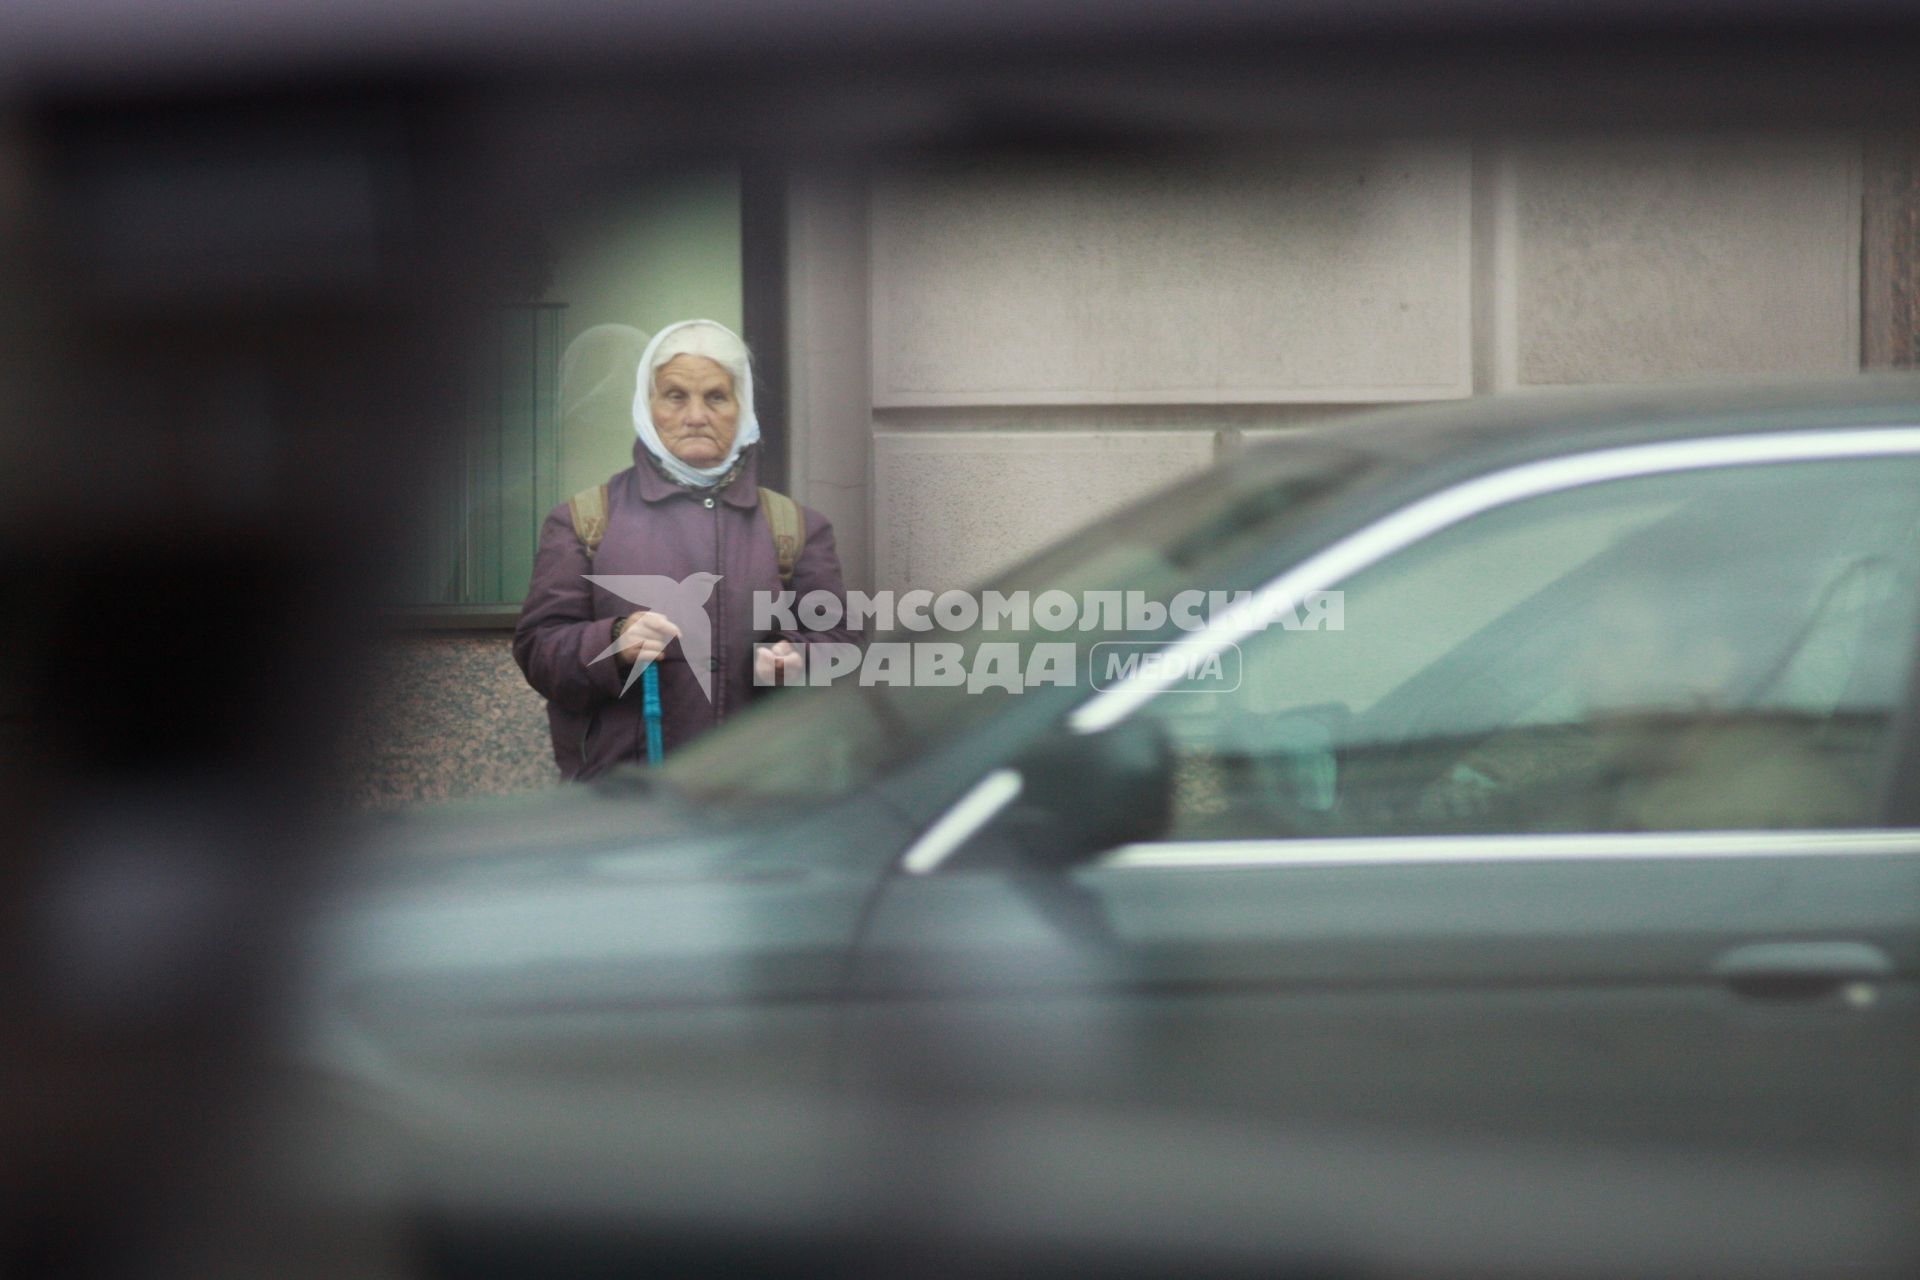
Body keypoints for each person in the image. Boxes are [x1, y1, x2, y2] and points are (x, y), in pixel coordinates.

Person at [514, 319, 859, 779]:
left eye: (716, 396)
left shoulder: (796, 528)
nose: (696, 415)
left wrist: (797, 658)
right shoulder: (583, 521)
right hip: (626, 803)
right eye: (676, 396)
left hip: (761, 796)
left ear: (743, 408)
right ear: (646, 406)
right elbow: (539, 651)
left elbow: (843, 648)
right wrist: (612, 642)